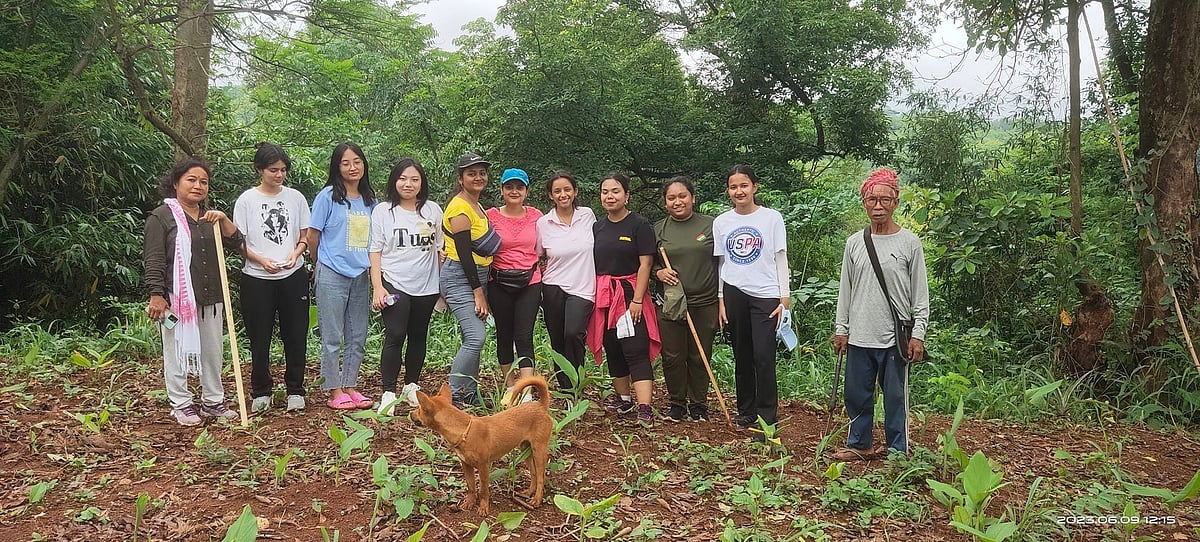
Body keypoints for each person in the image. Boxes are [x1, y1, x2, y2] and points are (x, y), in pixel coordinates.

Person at [832, 168, 929, 460]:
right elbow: (845, 290)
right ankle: (860, 444)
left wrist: (918, 335)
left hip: (894, 338)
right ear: (864, 202)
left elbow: (920, 294)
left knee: (896, 397)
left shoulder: (909, 243)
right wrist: (841, 328)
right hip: (860, 333)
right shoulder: (854, 243)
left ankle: (897, 449)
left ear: (896, 202)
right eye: (872, 199)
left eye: (884, 200)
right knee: (857, 394)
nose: (878, 206)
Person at [143, 157, 244, 426]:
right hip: (177, 300)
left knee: (212, 351)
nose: (198, 186)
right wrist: (157, 295)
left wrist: (223, 220)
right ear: (176, 183)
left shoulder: (211, 218)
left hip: (211, 296)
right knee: (176, 351)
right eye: (191, 180)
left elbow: (236, 242)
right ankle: (182, 403)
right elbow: (154, 259)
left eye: (204, 182)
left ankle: (213, 400)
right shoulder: (161, 218)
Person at [713, 165, 791, 441]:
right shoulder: (721, 222)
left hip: (766, 294)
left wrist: (785, 297)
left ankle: (767, 416)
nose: (739, 191)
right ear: (728, 191)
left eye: (744, 185)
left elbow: (780, 258)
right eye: (733, 187)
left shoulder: (772, 218)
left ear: (755, 187)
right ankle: (745, 410)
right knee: (742, 354)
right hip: (734, 292)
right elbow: (722, 262)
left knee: (764, 355)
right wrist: (721, 299)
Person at [233, 143, 311, 414]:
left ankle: (295, 390)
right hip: (256, 277)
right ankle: (261, 390)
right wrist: (261, 260)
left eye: (283, 170)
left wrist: (296, 253)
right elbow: (238, 242)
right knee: (259, 335)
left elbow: (305, 235)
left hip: (293, 274)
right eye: (273, 170)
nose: (279, 175)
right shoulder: (246, 200)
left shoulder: (296, 198)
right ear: (259, 170)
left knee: (296, 333)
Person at [370, 158, 443, 416]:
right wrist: (378, 287)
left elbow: (439, 250)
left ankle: (411, 385)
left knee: (418, 336)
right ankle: (388, 390)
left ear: (422, 183)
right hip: (394, 281)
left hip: (426, 284)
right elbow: (375, 251)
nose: (408, 184)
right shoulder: (383, 211)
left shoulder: (433, 210)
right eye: (402, 178)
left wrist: (442, 287)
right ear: (394, 181)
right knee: (396, 334)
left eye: (414, 179)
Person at [307, 142, 377, 410]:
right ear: (337, 166)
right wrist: (319, 263)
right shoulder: (327, 197)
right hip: (331, 273)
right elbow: (313, 236)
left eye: (357, 161)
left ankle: (351, 385)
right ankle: (334, 389)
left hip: (361, 274)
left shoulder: (370, 200)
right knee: (332, 335)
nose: (352, 167)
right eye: (346, 162)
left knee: (357, 334)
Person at [587, 172, 661, 426]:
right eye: (605, 191)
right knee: (612, 345)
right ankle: (624, 398)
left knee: (635, 347)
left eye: (616, 191)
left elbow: (646, 263)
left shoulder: (639, 225)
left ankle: (645, 407)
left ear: (627, 195)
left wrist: (638, 300)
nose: (610, 196)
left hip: (630, 291)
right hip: (605, 294)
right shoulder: (597, 226)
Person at [652, 176, 718, 423]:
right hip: (670, 302)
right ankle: (677, 403)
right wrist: (658, 272)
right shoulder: (658, 229)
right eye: (671, 198)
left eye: (682, 196)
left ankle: (699, 404)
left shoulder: (711, 225)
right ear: (665, 202)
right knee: (672, 355)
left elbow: (723, 262)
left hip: (705, 301)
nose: (677, 201)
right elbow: (647, 263)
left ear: (693, 198)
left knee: (700, 354)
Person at [441, 152, 502, 408]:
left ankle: (469, 393)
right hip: (460, 277)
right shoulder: (460, 208)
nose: (478, 177)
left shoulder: (477, 205)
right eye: (471, 173)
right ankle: (453, 395)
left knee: (472, 336)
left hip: (478, 276)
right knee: (476, 337)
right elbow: (465, 253)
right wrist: (477, 291)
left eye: (481, 172)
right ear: (460, 178)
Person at [486, 168, 543, 405]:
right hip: (499, 281)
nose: (514, 191)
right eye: (509, 187)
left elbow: (546, 247)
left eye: (519, 187)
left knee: (524, 334)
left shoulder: (537, 216)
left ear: (526, 191)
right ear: (501, 190)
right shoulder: (490, 215)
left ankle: (526, 389)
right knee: (504, 333)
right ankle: (511, 387)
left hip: (530, 281)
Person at [537, 171, 596, 392]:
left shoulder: (587, 216)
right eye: (557, 191)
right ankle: (565, 387)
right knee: (558, 339)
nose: (563, 194)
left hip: (583, 287)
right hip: (553, 286)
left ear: (575, 191)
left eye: (567, 189)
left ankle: (577, 382)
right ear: (551, 196)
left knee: (573, 333)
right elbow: (537, 255)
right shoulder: (544, 223)